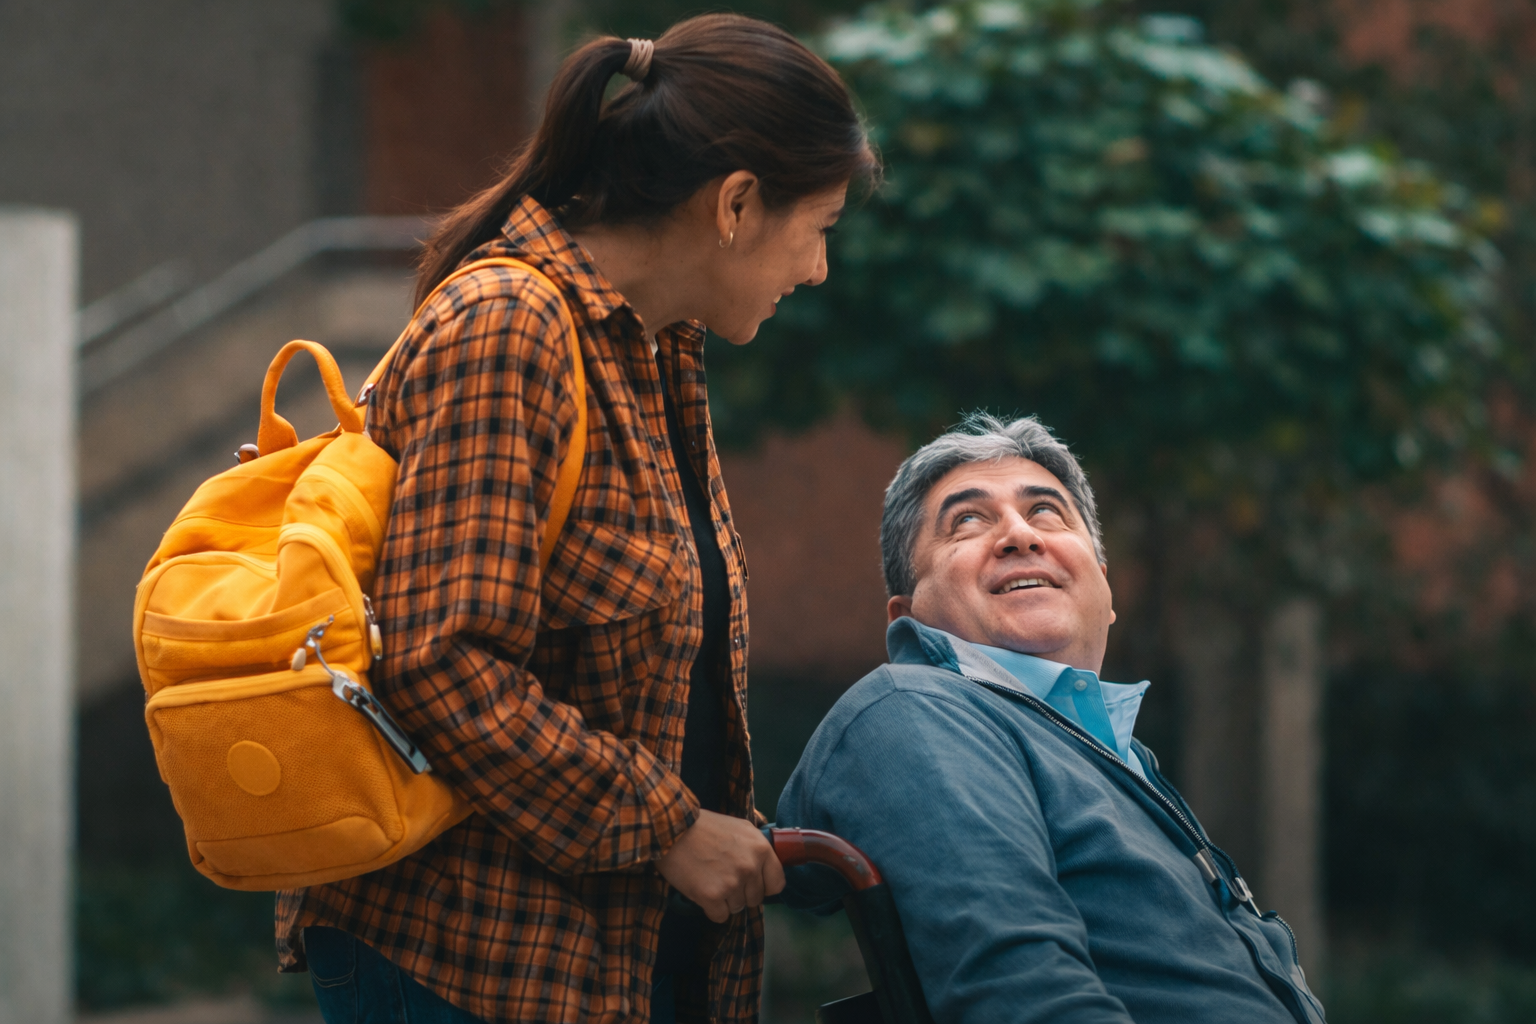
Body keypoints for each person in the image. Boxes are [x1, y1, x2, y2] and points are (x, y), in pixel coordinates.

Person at [276, 16, 879, 1024]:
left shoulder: (652, 346)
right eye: (817, 228)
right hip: (472, 960)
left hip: (604, 954)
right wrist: (668, 828)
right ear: (735, 204)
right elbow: (440, 661)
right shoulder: (509, 328)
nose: (817, 270)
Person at [776, 413, 1328, 1024]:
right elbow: (1024, 996)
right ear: (908, 615)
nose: (1019, 534)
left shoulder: (1113, 748)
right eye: (966, 520)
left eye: (1046, 511)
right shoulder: (917, 712)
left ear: (1105, 588)